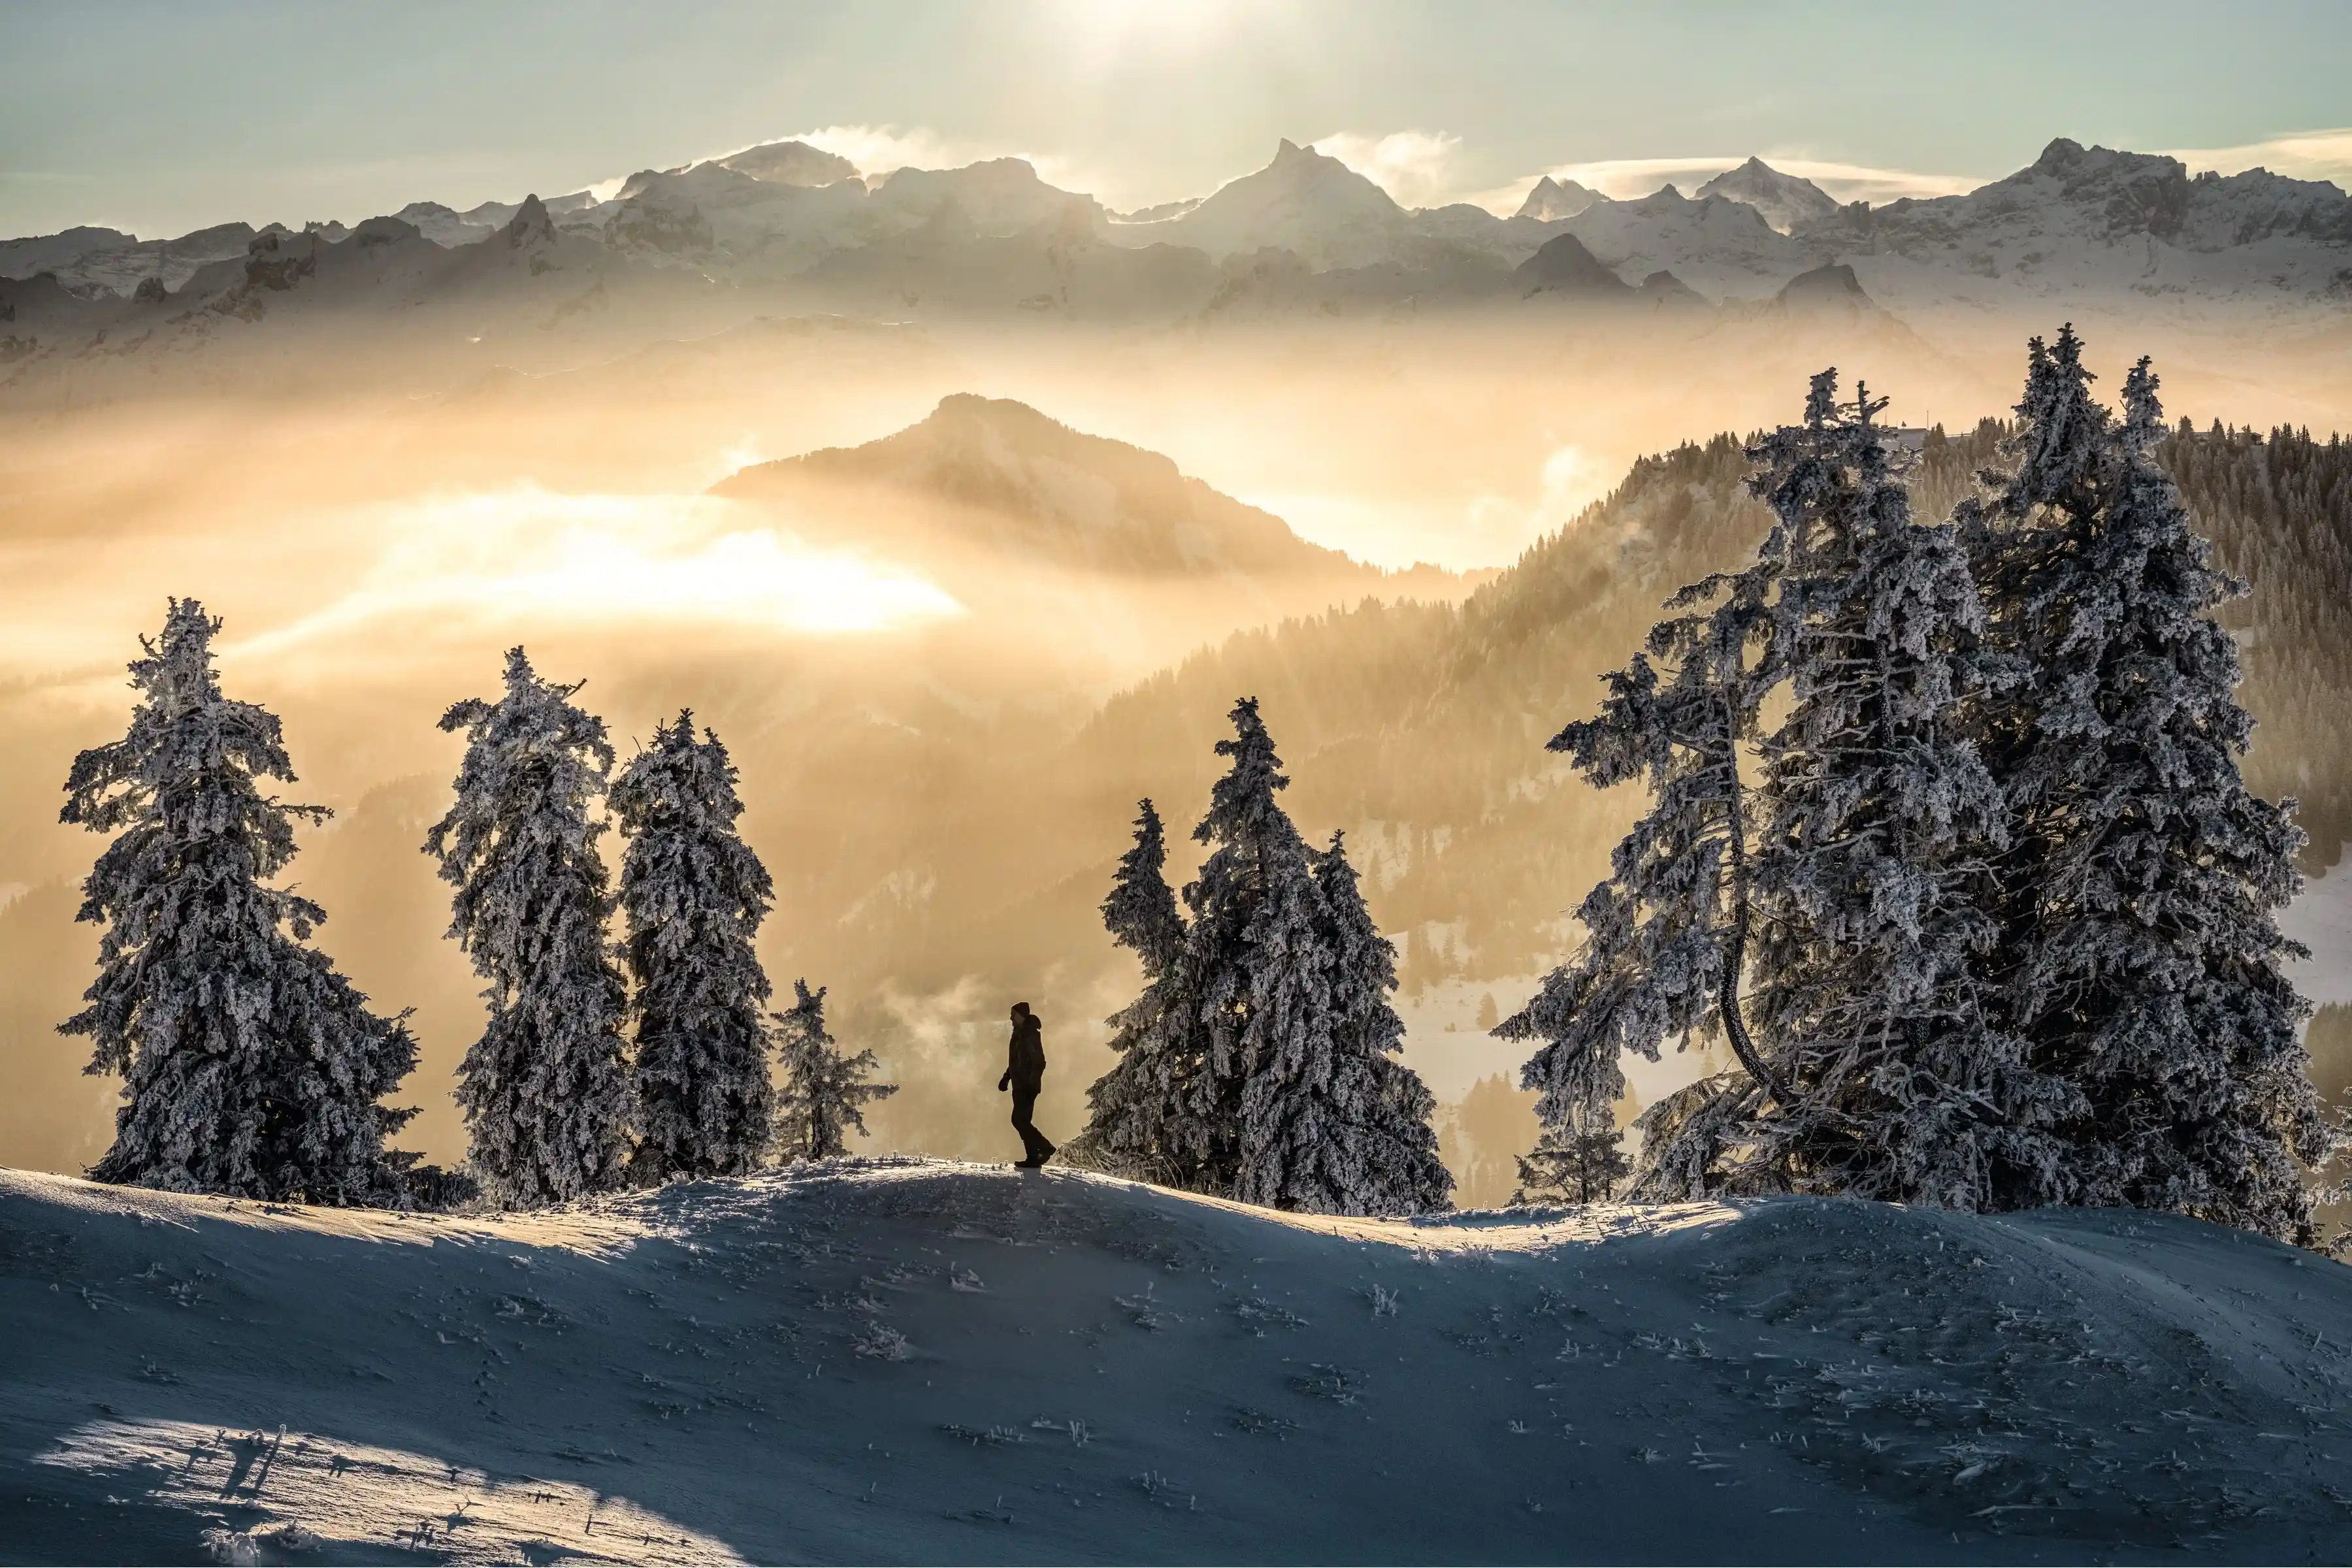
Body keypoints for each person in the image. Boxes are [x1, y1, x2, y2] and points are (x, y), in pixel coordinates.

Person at [997, 1001, 1055, 1169]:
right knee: (1023, 1121)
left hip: (1026, 1086)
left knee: (1018, 1120)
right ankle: (1033, 1157)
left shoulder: (1030, 1035)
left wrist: (1031, 1083)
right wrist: (1006, 1078)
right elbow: (1015, 1061)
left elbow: (1040, 1062)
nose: (1010, 1018)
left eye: (1013, 1015)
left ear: (1021, 1016)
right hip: (1019, 1085)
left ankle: (1045, 1147)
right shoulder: (1018, 1034)